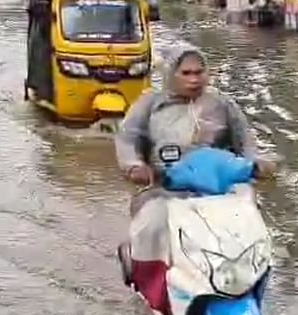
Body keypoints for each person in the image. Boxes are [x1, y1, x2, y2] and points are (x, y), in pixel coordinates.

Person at [115, 46, 276, 214]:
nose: (194, 80)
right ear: (171, 74)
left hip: (216, 186)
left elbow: (245, 141)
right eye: (186, 73)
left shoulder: (221, 104)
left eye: (199, 73)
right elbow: (128, 138)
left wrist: (256, 164)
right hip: (162, 184)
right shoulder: (150, 103)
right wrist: (134, 166)